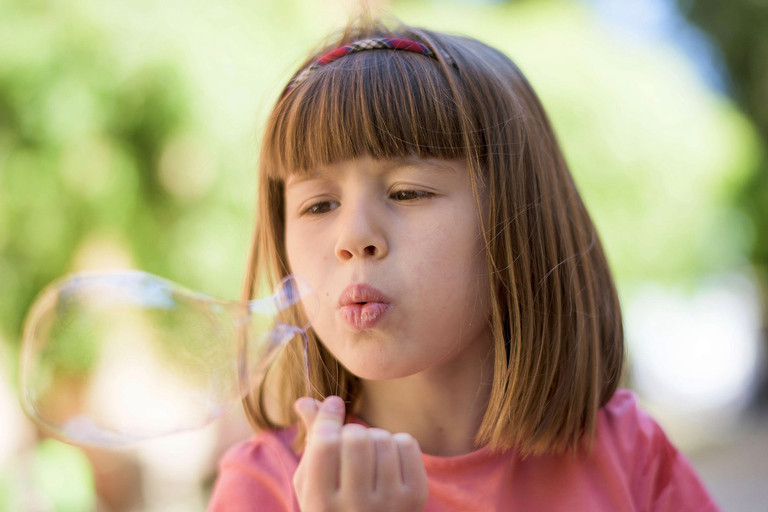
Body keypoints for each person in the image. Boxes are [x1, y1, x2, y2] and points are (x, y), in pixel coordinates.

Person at [208, 15, 721, 512]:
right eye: (319, 205)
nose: (354, 237)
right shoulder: (266, 486)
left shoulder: (627, 455)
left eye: (407, 192)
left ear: (518, 223)